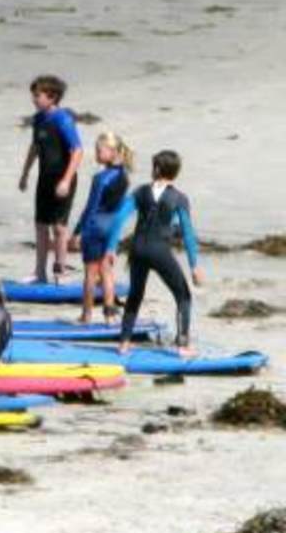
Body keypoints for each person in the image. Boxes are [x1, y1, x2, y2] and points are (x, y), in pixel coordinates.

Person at [105, 150, 204, 356]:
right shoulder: (179, 198)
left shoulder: (140, 192)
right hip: (159, 251)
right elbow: (187, 232)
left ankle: (124, 343)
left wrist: (111, 248)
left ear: (157, 169)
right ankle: (183, 346)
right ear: (175, 172)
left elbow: (119, 218)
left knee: (135, 294)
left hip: (137, 249)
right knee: (183, 295)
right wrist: (194, 265)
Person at [18, 75, 84, 284]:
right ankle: (39, 272)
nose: (34, 99)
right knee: (40, 225)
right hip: (44, 178)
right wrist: (25, 173)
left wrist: (66, 180)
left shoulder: (62, 120)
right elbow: (35, 147)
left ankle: (60, 271)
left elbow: (77, 151)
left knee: (59, 227)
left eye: (38, 95)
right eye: (34, 95)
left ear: (52, 97)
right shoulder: (38, 119)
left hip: (63, 178)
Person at [71, 132, 132, 324]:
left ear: (112, 152)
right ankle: (109, 314)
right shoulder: (124, 177)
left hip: (95, 226)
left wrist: (78, 232)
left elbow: (91, 207)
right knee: (107, 271)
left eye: (99, 150)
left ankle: (86, 314)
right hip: (112, 227)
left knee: (90, 273)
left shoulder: (101, 178)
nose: (96, 153)